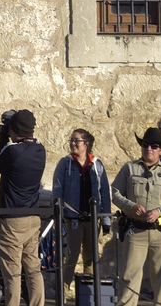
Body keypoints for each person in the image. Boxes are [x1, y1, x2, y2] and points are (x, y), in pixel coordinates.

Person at [113, 127, 161, 306]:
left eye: (154, 146)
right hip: (136, 231)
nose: (149, 149)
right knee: (129, 278)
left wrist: (160, 212)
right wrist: (131, 206)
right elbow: (115, 194)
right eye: (145, 145)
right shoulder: (130, 169)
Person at [0, 108, 46, 306]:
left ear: (14, 129)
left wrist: (2, 141)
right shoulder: (40, 150)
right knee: (33, 270)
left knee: (12, 273)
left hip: (13, 220)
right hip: (33, 217)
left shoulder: (12, 151)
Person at [52, 127, 109, 305]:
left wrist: (106, 219)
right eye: (72, 140)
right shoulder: (65, 163)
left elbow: (105, 192)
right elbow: (57, 190)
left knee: (91, 257)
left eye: (77, 140)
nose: (73, 143)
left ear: (87, 144)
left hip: (92, 219)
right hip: (73, 218)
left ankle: (88, 292)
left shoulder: (97, 164)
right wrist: (59, 213)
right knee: (71, 255)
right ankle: (63, 290)